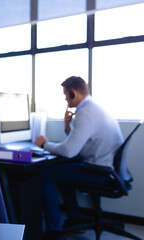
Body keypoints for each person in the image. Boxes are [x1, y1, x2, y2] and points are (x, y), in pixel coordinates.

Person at [35, 76, 123, 239]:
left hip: (101, 172)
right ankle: (75, 220)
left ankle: (54, 231)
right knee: (61, 171)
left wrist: (44, 144)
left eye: (65, 96)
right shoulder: (93, 108)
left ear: (73, 94)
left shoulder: (86, 113)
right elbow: (79, 146)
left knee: (46, 174)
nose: (65, 100)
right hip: (105, 167)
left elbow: (69, 151)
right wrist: (68, 127)